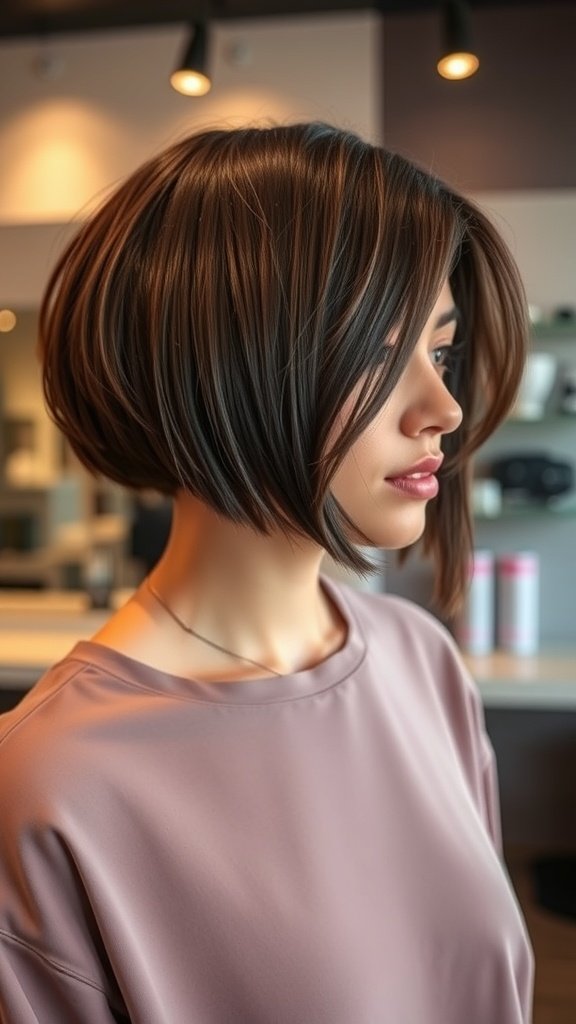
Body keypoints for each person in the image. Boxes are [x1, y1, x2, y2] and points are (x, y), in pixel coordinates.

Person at [0, 122, 534, 1023]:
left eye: (438, 352)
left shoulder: (420, 661)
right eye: (378, 350)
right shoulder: (49, 784)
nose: (443, 407)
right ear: (222, 367)